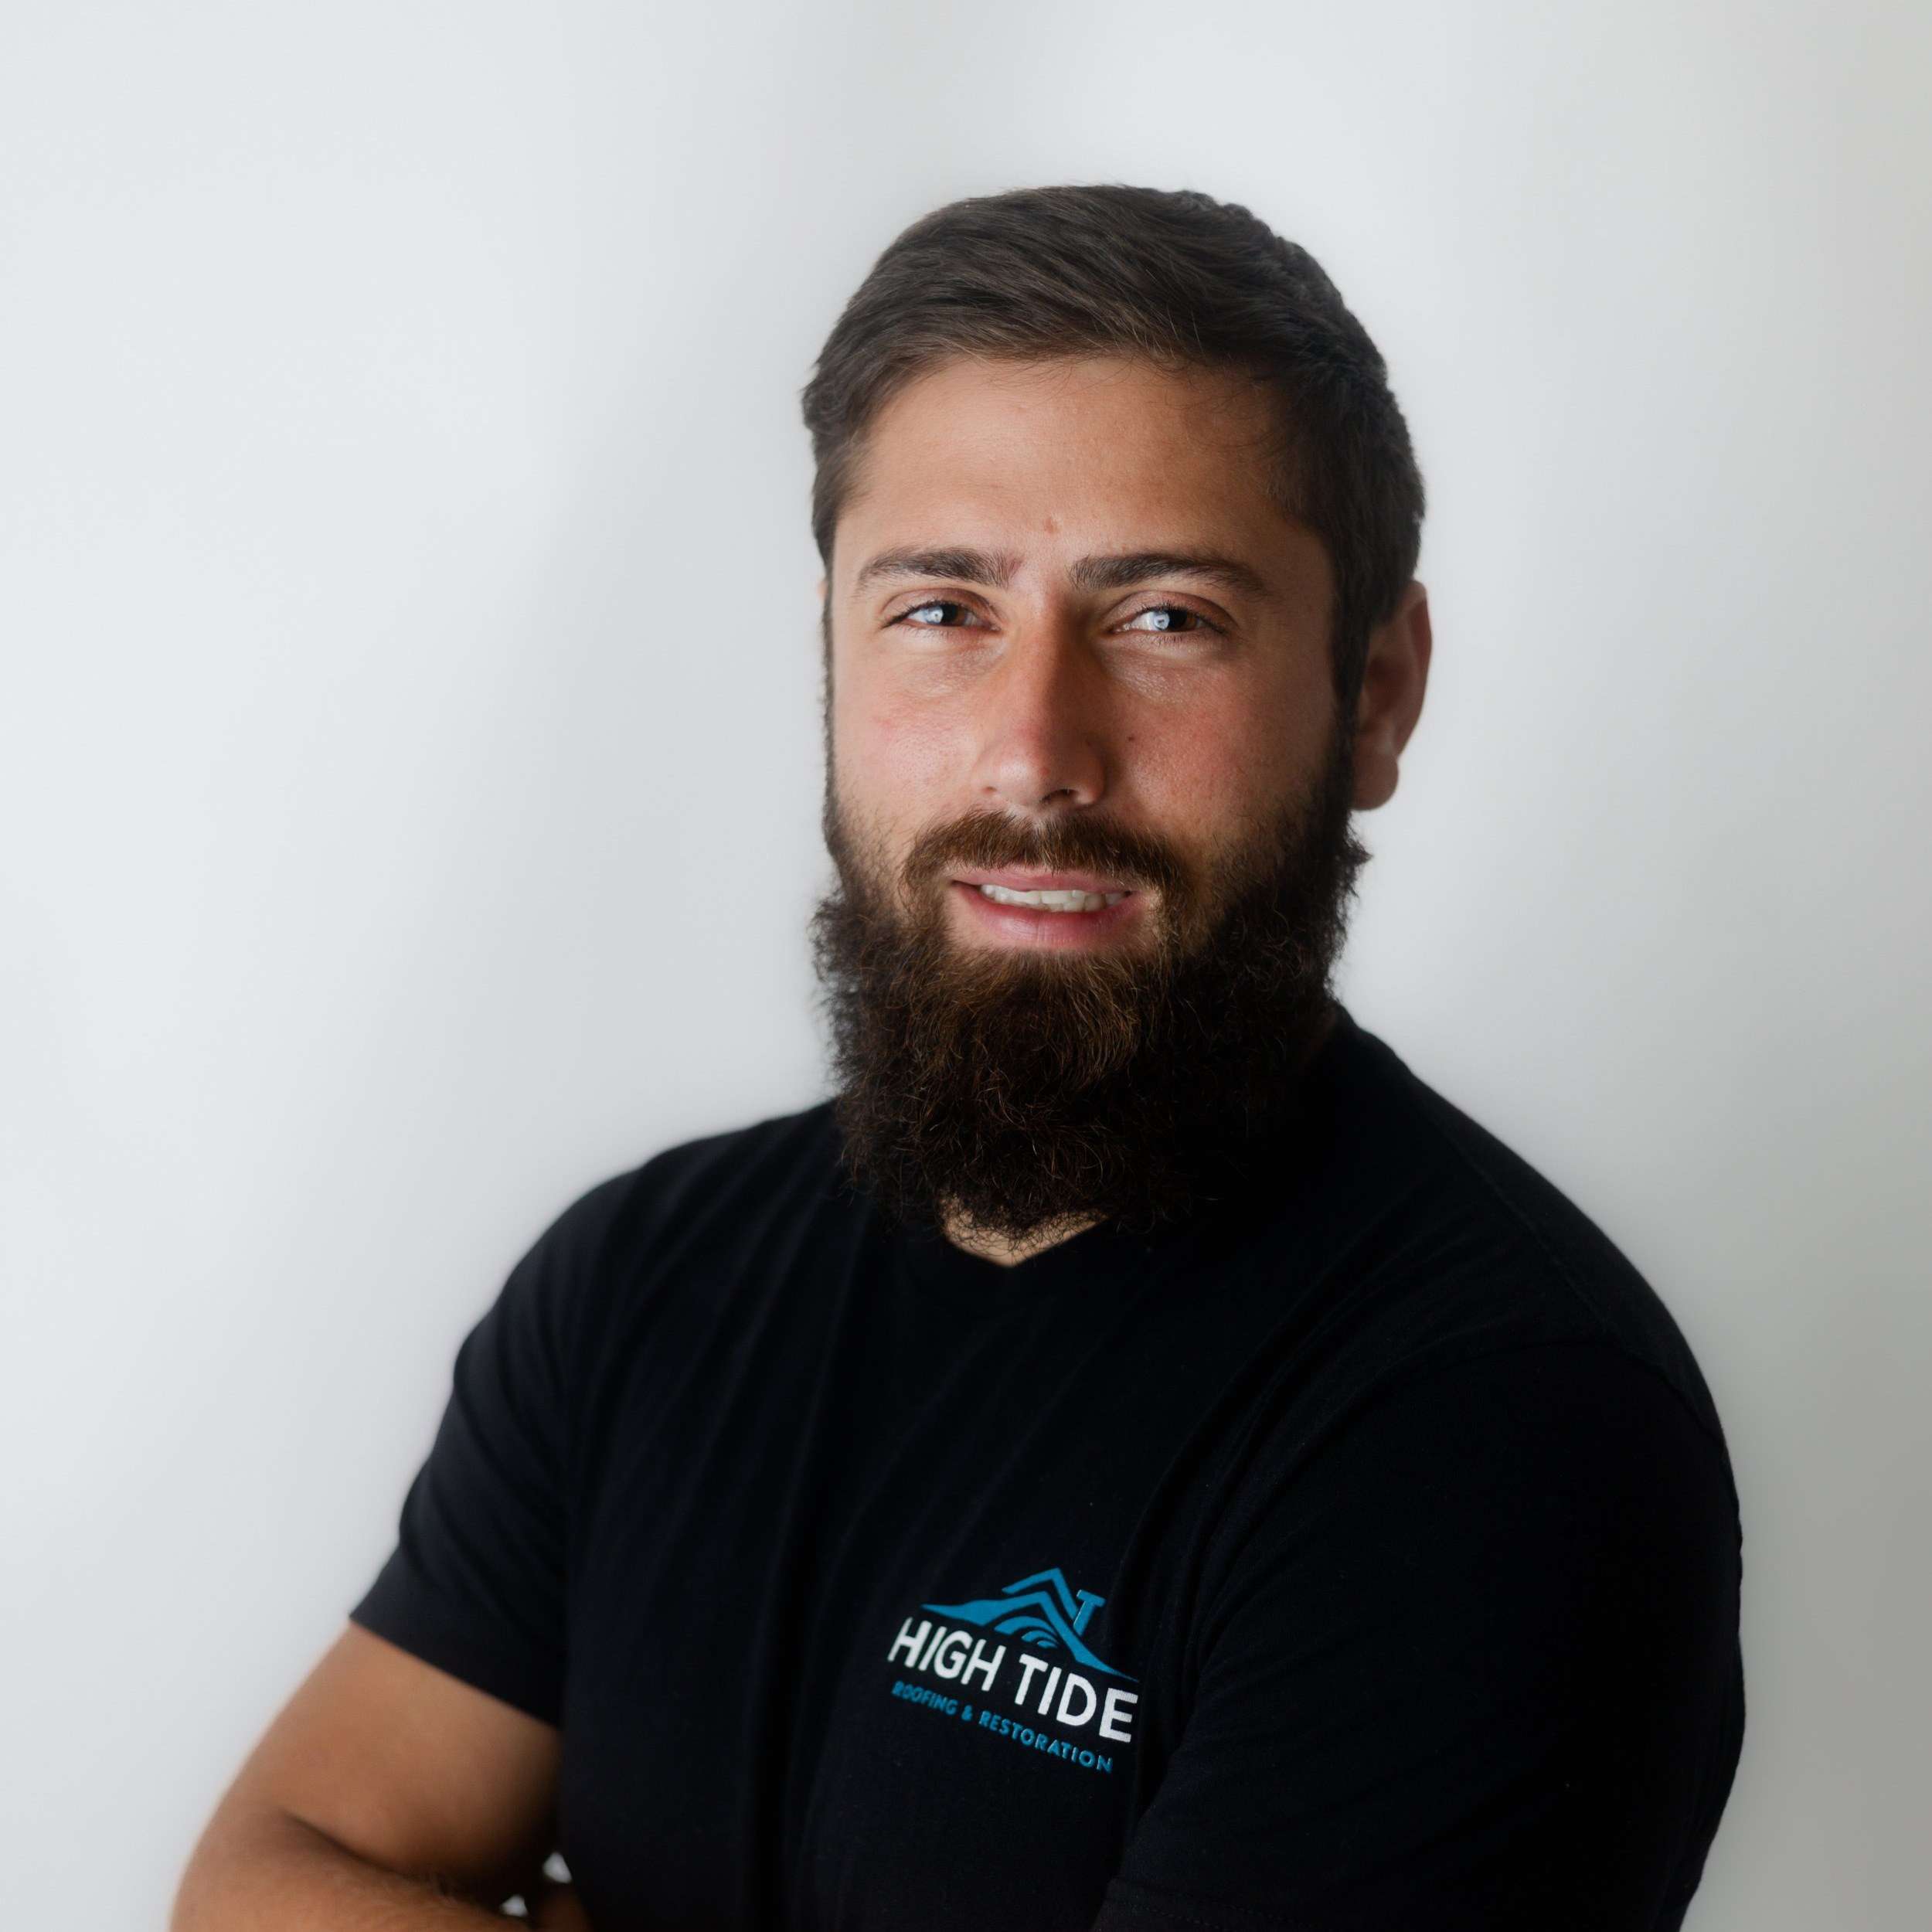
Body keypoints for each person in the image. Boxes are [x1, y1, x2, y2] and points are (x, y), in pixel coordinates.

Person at [173, 185, 1743, 1932]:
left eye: (1164, 618)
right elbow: (261, 1882)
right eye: (940, 608)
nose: (1034, 750)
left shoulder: (1490, 1424)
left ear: (1372, 692)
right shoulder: (636, 1286)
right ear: (834, 652)